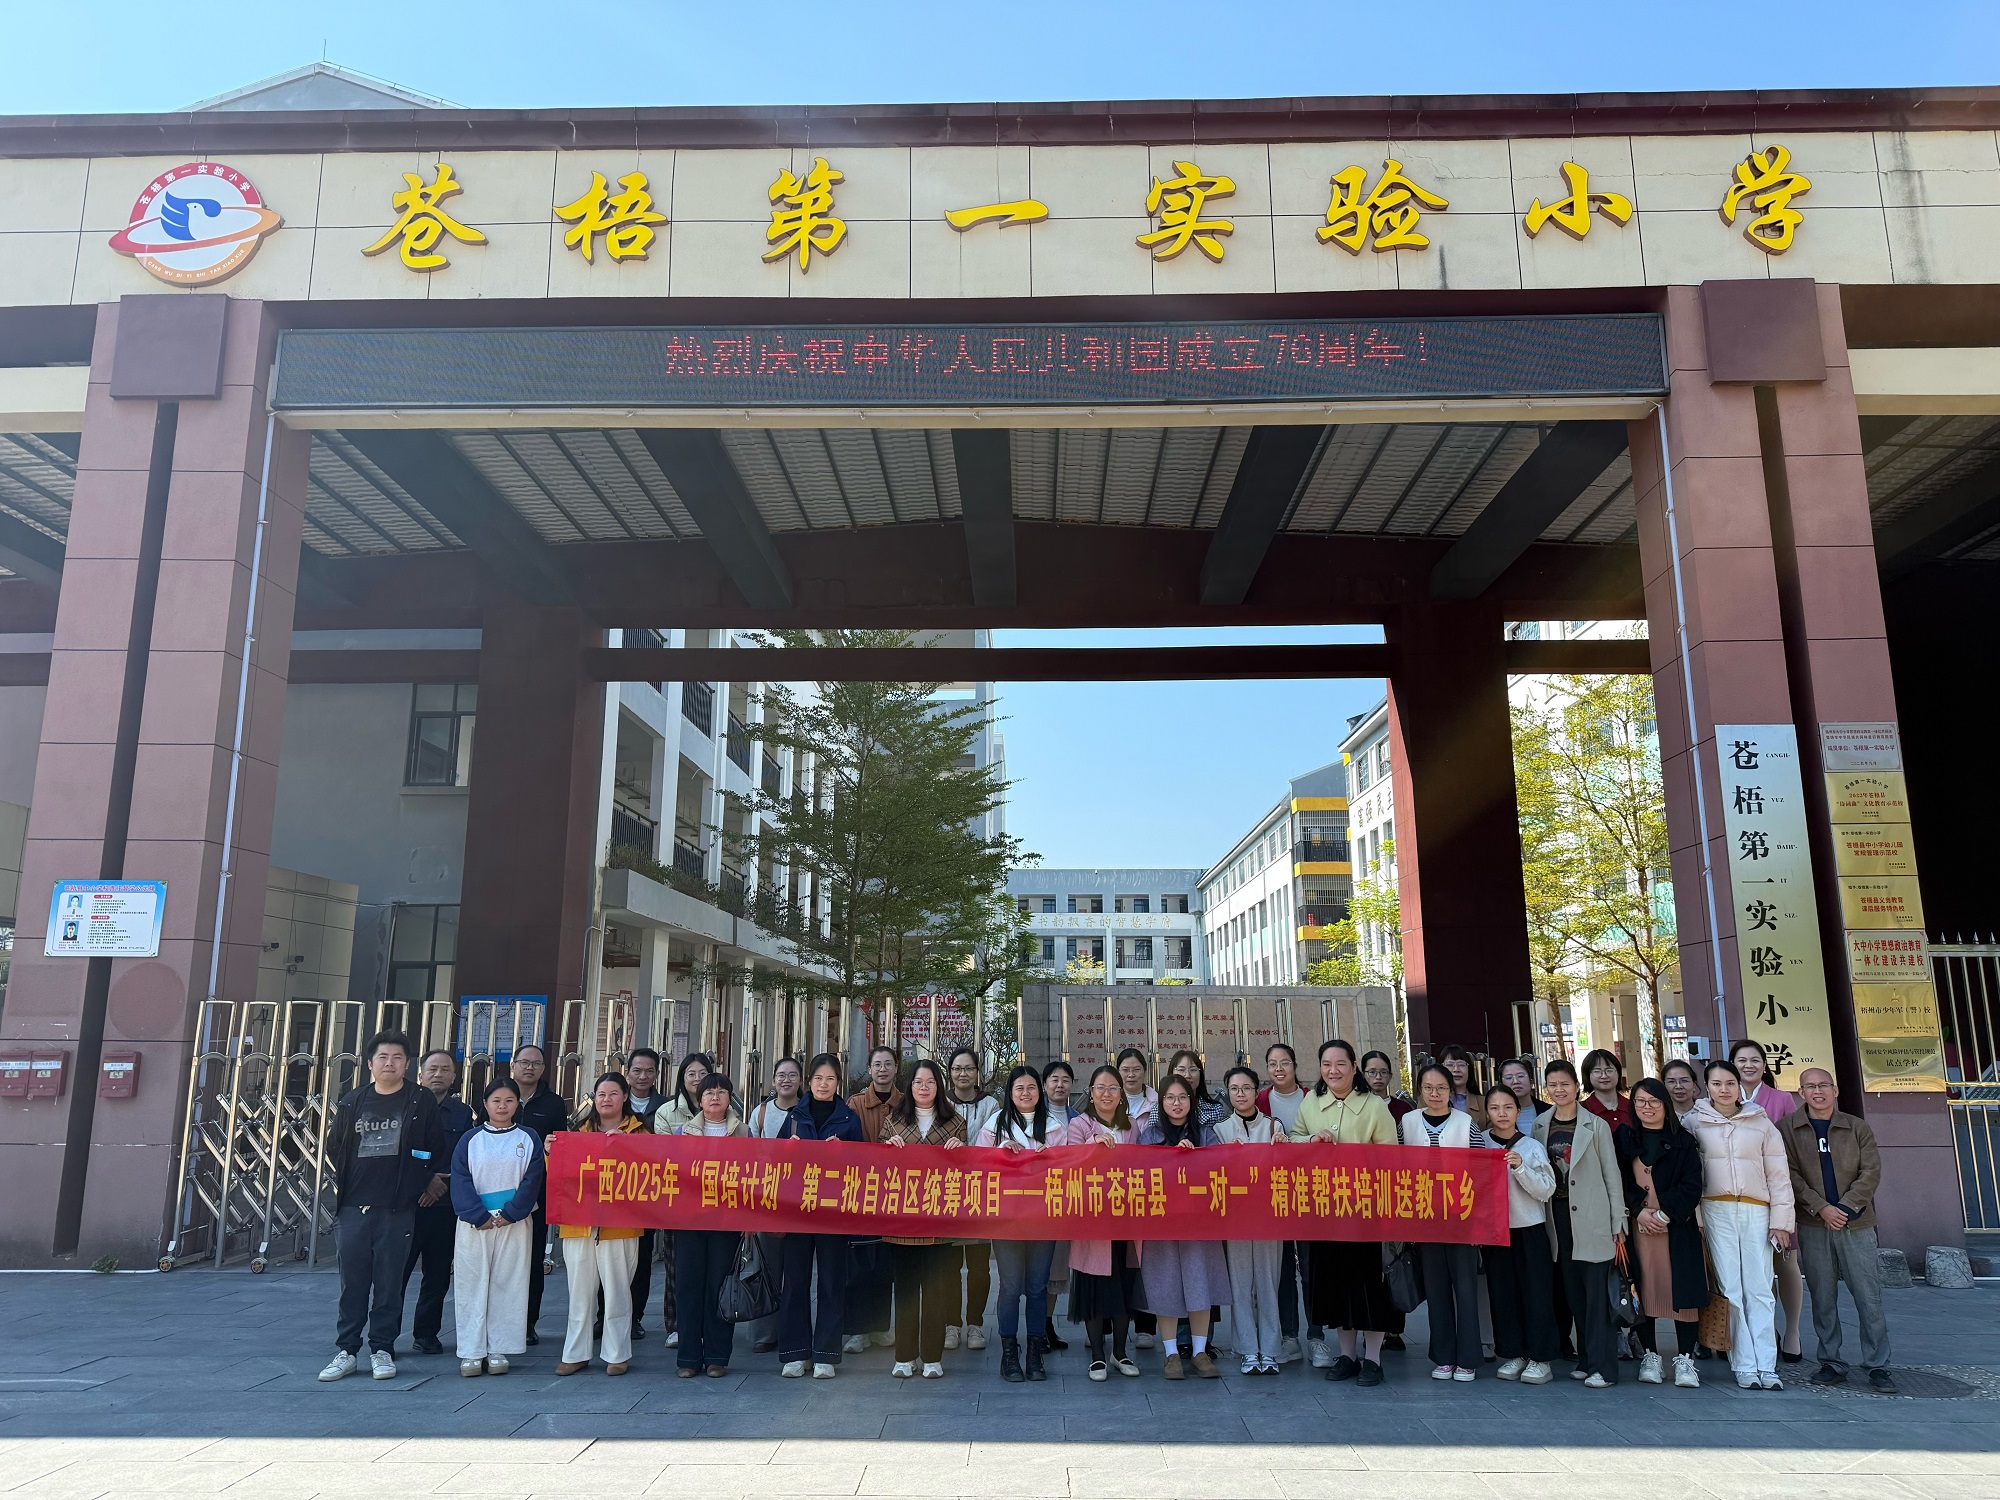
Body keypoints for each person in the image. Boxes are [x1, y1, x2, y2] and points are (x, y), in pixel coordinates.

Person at [318, 1030, 443, 1383]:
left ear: (407, 1064)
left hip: (397, 1208)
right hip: (353, 1206)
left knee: (389, 1282)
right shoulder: (352, 1101)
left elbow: (433, 1145)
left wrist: (416, 1177)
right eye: (383, 1058)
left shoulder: (420, 1100)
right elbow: (335, 1146)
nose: (390, 1063)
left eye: (398, 1058)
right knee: (352, 1283)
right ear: (370, 1064)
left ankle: (382, 1348)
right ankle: (347, 1350)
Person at [1289, 1039, 1398, 1387]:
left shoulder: (1373, 1105)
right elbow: (1294, 1140)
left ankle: (1373, 1359)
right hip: (1325, 1210)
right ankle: (1347, 1356)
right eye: (1326, 1064)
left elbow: (1391, 1157)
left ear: (1354, 1067)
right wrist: (1311, 1142)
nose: (1333, 1071)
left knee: (1367, 1286)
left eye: (1340, 1064)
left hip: (1365, 1211)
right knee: (1335, 1285)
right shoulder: (1311, 1101)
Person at [1779, 1067, 1895, 1393]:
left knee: (1868, 1296)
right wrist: (1821, 1207)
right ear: (1800, 1093)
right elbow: (1788, 1174)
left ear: (1835, 1090)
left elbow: (1871, 1171)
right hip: (1814, 1224)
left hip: (1856, 1224)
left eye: (1823, 1085)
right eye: (1810, 1086)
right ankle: (1831, 1361)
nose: (1817, 1092)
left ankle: (1878, 1365)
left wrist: (1844, 1208)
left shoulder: (1857, 1127)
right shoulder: (1787, 1129)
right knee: (1822, 1296)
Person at [1687, 1058, 1795, 1390]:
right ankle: (1744, 1364)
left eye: (1730, 1083)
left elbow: (1779, 1175)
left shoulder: (1760, 1121)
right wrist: (1698, 1220)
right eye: (1717, 1083)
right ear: (1707, 1087)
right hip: (1715, 1209)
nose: (1724, 1089)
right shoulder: (1694, 1122)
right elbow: (1689, 1175)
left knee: (1760, 1287)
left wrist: (1782, 1222)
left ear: (1739, 1086)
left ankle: (1767, 1365)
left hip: (1756, 1210)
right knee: (1730, 1288)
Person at [1532, 1056, 1626, 1388]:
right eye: (1552, 1085)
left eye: (1565, 1084)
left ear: (1576, 1086)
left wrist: (1618, 1220)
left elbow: (1612, 1175)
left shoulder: (1595, 1125)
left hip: (1593, 1217)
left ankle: (1605, 1369)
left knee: (1597, 1296)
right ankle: (1586, 1360)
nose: (1559, 1090)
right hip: (1557, 1220)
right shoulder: (1540, 1124)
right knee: (1575, 1295)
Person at [1615, 1078, 1708, 1388]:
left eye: (1654, 1101)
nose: (1647, 1107)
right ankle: (1650, 1355)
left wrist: (1665, 1213)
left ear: (1665, 1105)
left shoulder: (1684, 1141)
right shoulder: (1625, 1137)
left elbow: (1693, 1185)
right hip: (1638, 1227)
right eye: (1640, 1101)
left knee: (1682, 1292)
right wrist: (1638, 1210)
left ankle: (1685, 1359)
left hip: (1676, 1227)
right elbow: (1616, 1179)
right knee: (1644, 1290)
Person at [1135, 1074, 1229, 1379]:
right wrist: (1172, 1158)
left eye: (1183, 1097)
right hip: (1161, 1224)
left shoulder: (1206, 1134)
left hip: (1199, 1224)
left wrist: (1195, 1158)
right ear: (1161, 1102)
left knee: (1200, 1282)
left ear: (1192, 1100)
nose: (1177, 1103)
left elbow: (1220, 1171)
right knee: (1166, 1286)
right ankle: (1171, 1354)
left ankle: (1200, 1352)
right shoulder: (1150, 1135)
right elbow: (1140, 1173)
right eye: (1170, 1098)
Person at [555, 1072, 649, 1376]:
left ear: (625, 1097)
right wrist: (549, 1150)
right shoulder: (576, 1132)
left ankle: (616, 1353)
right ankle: (575, 1353)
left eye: (613, 1094)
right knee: (579, 1293)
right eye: (601, 1094)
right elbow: (557, 1175)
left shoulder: (640, 1134)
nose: (606, 1099)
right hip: (578, 1223)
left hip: (620, 1225)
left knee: (618, 1291)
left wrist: (627, 1148)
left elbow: (653, 1172)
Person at [449, 1076, 543, 1377]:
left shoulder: (528, 1137)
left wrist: (512, 1213)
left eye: (509, 1101)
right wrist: (479, 1216)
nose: (503, 1106)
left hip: (514, 1223)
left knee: (509, 1282)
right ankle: (471, 1350)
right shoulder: (471, 1139)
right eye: (496, 1101)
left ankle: (499, 1347)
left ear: (518, 1104)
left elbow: (533, 1179)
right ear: (485, 1104)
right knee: (472, 1283)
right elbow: (460, 1178)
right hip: (476, 1224)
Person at [778, 1053, 864, 1377]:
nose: (823, 1084)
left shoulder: (849, 1119)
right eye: (817, 1079)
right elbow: (775, 1162)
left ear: (838, 1082)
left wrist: (844, 1153)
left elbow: (863, 1166)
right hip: (798, 1211)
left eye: (829, 1079)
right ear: (809, 1081)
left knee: (831, 1281)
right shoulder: (795, 1116)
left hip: (832, 1212)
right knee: (795, 1281)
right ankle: (796, 1352)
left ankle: (825, 1353)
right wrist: (788, 1149)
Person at [882, 1058, 967, 1378]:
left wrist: (961, 1149)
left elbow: (967, 1170)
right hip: (902, 1219)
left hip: (938, 1219)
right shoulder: (893, 1120)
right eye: (918, 1082)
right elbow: (876, 1165)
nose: (924, 1087)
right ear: (909, 1086)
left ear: (939, 1086)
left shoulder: (955, 1122)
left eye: (930, 1082)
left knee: (935, 1291)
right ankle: (904, 1356)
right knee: (905, 1290)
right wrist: (887, 1147)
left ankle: (932, 1356)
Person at [976, 1065, 1059, 1383]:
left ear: (1040, 1091)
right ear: (1010, 1093)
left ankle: (1035, 1352)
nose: (1026, 1093)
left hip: (1043, 1219)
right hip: (1007, 1219)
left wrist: (1052, 1156)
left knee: (1037, 1287)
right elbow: (978, 1164)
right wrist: (1001, 1152)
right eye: (1019, 1088)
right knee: (1010, 1287)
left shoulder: (1054, 1127)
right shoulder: (995, 1125)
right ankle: (1009, 1353)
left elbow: (1070, 1169)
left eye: (1031, 1087)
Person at [1400, 1062, 1482, 1381]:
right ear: (1420, 1090)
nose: (1434, 1094)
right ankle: (1444, 1356)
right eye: (1428, 1088)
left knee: (1466, 1291)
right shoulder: (1407, 1122)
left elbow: (1481, 1171)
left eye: (1441, 1088)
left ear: (1451, 1090)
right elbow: (1396, 1167)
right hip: (1425, 1220)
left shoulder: (1466, 1122)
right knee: (1436, 1291)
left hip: (1462, 1220)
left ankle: (1468, 1358)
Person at [1064, 1065, 1144, 1381]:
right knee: (1094, 1290)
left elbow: (1144, 1166)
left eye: (1113, 1088)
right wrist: (1092, 1145)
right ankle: (1098, 1356)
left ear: (1121, 1094)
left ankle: (1120, 1353)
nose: (1106, 1094)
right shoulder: (1079, 1124)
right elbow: (1070, 1164)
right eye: (1100, 1088)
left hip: (1125, 1219)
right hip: (1093, 1221)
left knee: (1123, 1288)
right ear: (1091, 1093)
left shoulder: (1132, 1126)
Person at [1480, 1083, 1558, 1385]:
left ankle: (1540, 1357)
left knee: (1536, 1294)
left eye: (1508, 1107)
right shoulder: (1480, 1143)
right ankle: (1513, 1352)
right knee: (1503, 1295)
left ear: (1517, 1110)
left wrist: (1521, 1168)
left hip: (1529, 1229)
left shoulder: (1531, 1146)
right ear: (1487, 1112)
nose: (1501, 1113)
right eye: (1495, 1108)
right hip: (1495, 1233)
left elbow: (1547, 1190)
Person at [1733, 1039, 1804, 1367]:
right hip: (1739, 1194)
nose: (1748, 1066)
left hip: (1776, 1191)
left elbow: (1795, 1147)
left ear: (1765, 1065)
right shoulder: (1723, 1098)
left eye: (1754, 1060)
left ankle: (1793, 1331)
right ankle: (1762, 1330)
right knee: (1752, 1269)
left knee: (1785, 1262)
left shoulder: (1781, 1099)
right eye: (1741, 1060)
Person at [402, 1048, 476, 1357]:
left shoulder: (462, 1113)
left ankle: (426, 1333)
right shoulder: (404, 1106)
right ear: (420, 1074)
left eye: (445, 1069)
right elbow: (402, 1151)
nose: (438, 1074)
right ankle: (384, 1335)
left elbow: (466, 1155)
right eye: (432, 1069)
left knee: (437, 1274)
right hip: (409, 1204)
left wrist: (440, 1185)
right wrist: (425, 1179)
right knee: (397, 1274)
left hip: (445, 1204)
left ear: (454, 1077)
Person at [673, 1073, 745, 1377]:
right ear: (699, 1100)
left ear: (729, 1098)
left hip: (727, 1222)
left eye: (721, 1092)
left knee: (720, 1287)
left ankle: (717, 1356)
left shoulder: (743, 1133)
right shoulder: (682, 1133)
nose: (715, 1097)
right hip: (689, 1222)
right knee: (688, 1287)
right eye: (708, 1093)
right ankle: (688, 1358)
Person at [1215, 1066, 1284, 1374]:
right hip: (1237, 1218)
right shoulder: (1220, 1130)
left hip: (1269, 1216)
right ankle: (1247, 1350)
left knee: (1268, 1284)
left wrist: (1283, 1147)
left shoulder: (1273, 1125)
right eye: (1234, 1089)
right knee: (1240, 1285)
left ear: (1257, 1092)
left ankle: (1270, 1350)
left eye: (1246, 1088)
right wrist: (1225, 1156)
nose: (1240, 1094)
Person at [652, 1053, 718, 1348]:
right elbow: (663, 1154)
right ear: (682, 1078)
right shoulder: (667, 1112)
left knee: (712, 1267)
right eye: (691, 1074)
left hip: (717, 1199)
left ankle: (709, 1323)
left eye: (703, 1073)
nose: (697, 1079)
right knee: (676, 1265)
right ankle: (677, 1324)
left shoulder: (729, 1109)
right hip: (678, 1198)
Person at [843, 1045, 904, 1354]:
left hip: (896, 1193)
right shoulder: (854, 1104)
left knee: (884, 1263)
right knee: (858, 1264)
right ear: (869, 1069)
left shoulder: (906, 1103)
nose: (882, 1069)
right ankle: (858, 1330)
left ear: (896, 1069)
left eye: (888, 1064)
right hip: (861, 1192)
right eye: (877, 1064)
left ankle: (880, 1326)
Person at [509, 1043, 570, 1347]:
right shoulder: (500, 1095)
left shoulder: (554, 1104)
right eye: (524, 1062)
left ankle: (528, 1322)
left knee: (532, 1260)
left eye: (535, 1063)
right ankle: (501, 1320)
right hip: (500, 1192)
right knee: (503, 1261)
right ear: (513, 1065)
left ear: (544, 1069)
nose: (529, 1068)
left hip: (538, 1192)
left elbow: (561, 1146)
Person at [744, 1056, 804, 1352]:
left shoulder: (807, 1111)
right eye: (781, 1075)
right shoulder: (761, 1113)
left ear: (801, 1081)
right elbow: (749, 1156)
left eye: (792, 1075)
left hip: (801, 1200)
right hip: (767, 1199)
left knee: (795, 1271)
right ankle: (764, 1334)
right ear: (773, 1080)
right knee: (766, 1266)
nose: (786, 1080)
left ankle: (792, 1331)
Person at [1256, 1043, 1308, 1365]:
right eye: (1272, 1063)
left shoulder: (1312, 1099)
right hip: (1274, 1196)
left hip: (1309, 1194)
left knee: (1311, 1267)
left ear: (1295, 1066)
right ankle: (1289, 1336)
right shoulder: (1260, 1101)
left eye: (1285, 1062)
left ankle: (1316, 1336)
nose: (1279, 1069)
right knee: (1284, 1268)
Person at [945, 1046, 997, 1352]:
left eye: (968, 1068)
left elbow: (993, 1142)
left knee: (979, 1266)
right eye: (957, 1068)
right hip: (948, 1194)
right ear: (949, 1072)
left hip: (980, 1192)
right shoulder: (940, 1102)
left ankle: (975, 1324)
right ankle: (951, 1324)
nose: (962, 1074)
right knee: (949, 1265)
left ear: (978, 1072)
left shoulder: (991, 1105)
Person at [1113, 1047, 1161, 1350]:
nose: (1130, 1075)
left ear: (1145, 1072)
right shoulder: (1107, 1098)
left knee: (1146, 1260)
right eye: (1125, 1070)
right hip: (1114, 1190)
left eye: (1136, 1070)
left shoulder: (1158, 1102)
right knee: (1115, 1256)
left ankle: (1145, 1325)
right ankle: (1109, 1321)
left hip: (1148, 1188)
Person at [621, 1046, 666, 1343]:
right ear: (627, 1073)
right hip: (613, 1194)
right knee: (609, 1259)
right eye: (637, 1070)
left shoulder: (665, 1107)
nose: (642, 1076)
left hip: (648, 1195)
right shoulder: (614, 1100)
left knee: (641, 1257)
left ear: (657, 1074)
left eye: (649, 1071)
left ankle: (635, 1316)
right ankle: (604, 1315)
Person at [1041, 1060, 1076, 1351]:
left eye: (1065, 1080)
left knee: (1055, 1269)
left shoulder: (1079, 1119)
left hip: (1065, 1203)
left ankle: (1046, 1323)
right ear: (1044, 1085)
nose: (1060, 1085)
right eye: (1054, 1079)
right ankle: (1034, 1327)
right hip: (1034, 1205)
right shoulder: (1031, 1115)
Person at [1167, 1049, 1228, 1130]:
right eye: (1181, 1070)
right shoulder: (1159, 1110)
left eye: (1193, 1070)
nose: (1187, 1075)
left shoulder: (1215, 1110)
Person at [1436, 1045, 1489, 1137]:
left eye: (1461, 1064)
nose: (1456, 1069)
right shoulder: (1428, 1101)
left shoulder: (1483, 1103)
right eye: (1450, 1065)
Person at [1579, 1048, 1632, 1130]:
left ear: (1618, 1073)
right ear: (1587, 1075)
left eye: (1609, 1070)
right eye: (1597, 1071)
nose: (1604, 1076)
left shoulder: (1633, 1107)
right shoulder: (1581, 1110)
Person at [1362, 1049, 1414, 1124]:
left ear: (1390, 1076)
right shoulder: (1357, 1107)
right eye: (1372, 1072)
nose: (1378, 1077)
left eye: (1383, 1072)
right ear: (1363, 1075)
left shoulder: (1403, 1108)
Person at [1500, 1057, 1542, 1136]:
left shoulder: (1548, 1111)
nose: (1515, 1081)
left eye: (1520, 1076)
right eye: (1509, 1078)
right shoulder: (1497, 1115)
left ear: (1531, 1082)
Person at [1661, 1058, 1702, 1125]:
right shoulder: (1659, 1116)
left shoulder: (1707, 1112)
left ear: (1694, 1085)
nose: (1678, 1086)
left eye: (1684, 1081)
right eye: (1671, 1081)